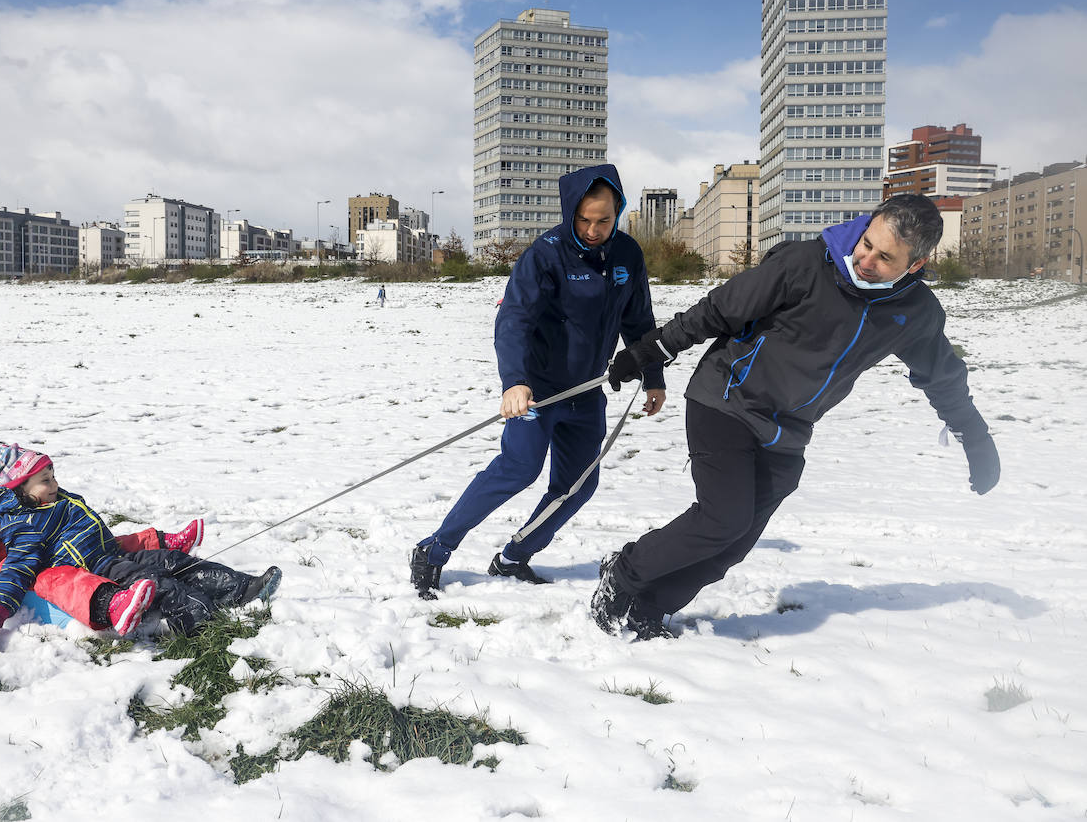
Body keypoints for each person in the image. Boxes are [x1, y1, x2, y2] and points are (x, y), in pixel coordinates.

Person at [591, 194, 1002, 640]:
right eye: (867, 243)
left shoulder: (915, 313)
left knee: (738, 539)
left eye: (886, 258)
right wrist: (650, 351)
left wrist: (975, 439)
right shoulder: (805, 264)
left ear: (916, 265)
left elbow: (942, 378)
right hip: (726, 398)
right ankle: (624, 574)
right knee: (722, 519)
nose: (865, 260)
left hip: (790, 427)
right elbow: (718, 310)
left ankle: (651, 607)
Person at [409, 164, 667, 598]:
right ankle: (433, 549)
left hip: (587, 393)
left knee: (578, 486)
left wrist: (653, 376)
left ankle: (514, 557)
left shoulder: (628, 255)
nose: (593, 229)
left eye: (604, 220)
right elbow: (514, 319)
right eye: (584, 219)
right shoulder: (546, 254)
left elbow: (639, 319)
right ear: (570, 212)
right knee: (518, 469)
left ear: (618, 212)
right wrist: (515, 381)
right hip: (540, 390)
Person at [0, 443, 282, 648]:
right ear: (20, 489)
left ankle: (245, 588)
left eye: (53, 476)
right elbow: (15, 571)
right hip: (99, 567)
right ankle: (201, 620)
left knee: (173, 560)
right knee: (160, 584)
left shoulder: (51, 499)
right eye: (45, 481)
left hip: (113, 552)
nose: (55, 485)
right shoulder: (24, 525)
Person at [0, 436, 205, 642]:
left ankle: (162, 542)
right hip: (24, 566)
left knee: (98, 544)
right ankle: (114, 601)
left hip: (33, 550)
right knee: (69, 575)